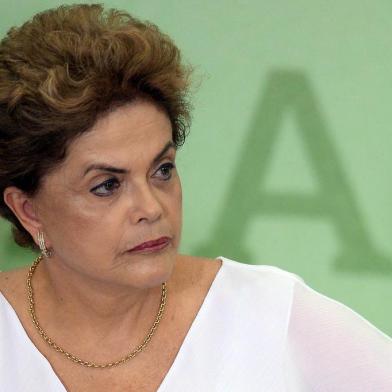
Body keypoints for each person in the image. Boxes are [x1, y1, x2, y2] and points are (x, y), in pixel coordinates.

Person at [0, 4, 391, 392]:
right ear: (28, 210)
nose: (152, 208)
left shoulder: (268, 314)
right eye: (107, 185)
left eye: (162, 170)